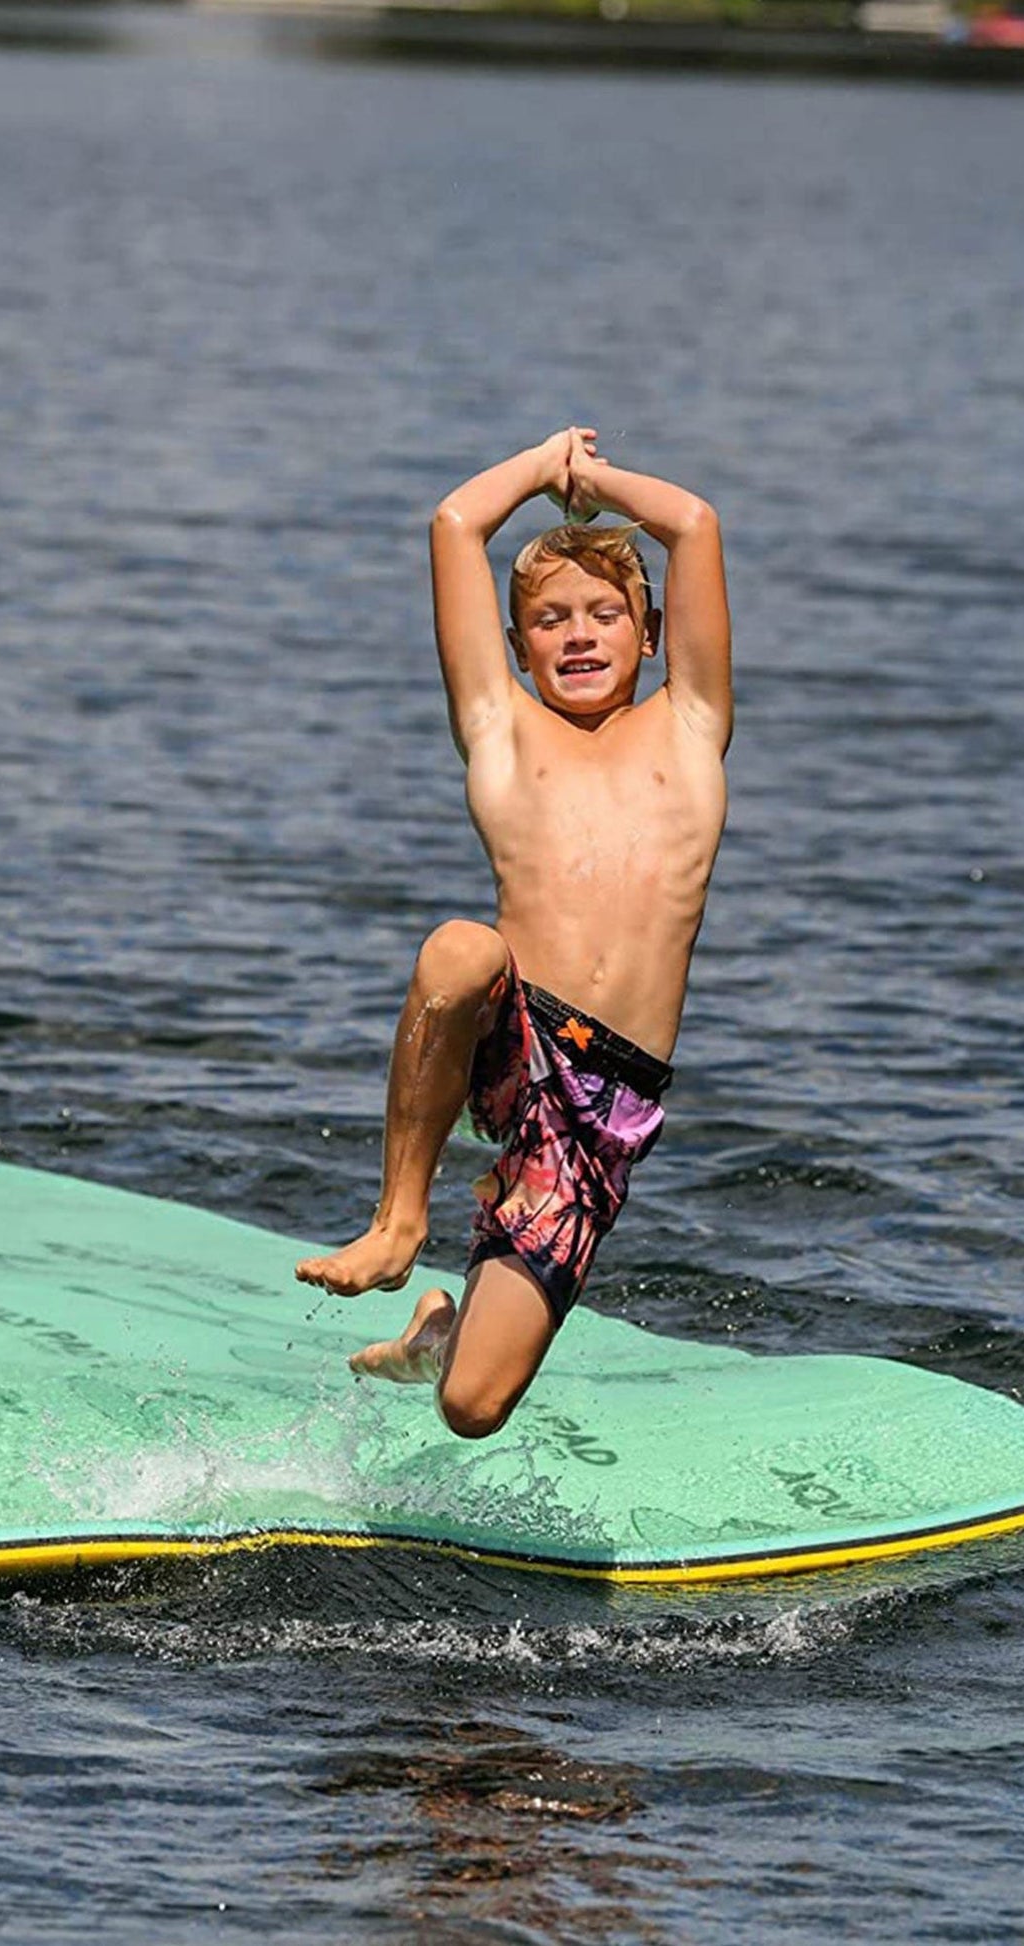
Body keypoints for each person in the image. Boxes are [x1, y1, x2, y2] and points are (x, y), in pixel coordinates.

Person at [294, 427, 732, 1438]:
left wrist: (595, 483)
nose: (578, 635)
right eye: (548, 620)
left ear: (649, 632)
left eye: (604, 615)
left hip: (606, 1103)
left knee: (473, 1406)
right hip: (513, 1033)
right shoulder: (501, 731)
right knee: (462, 949)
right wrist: (540, 465)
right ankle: (398, 1221)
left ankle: (438, 1334)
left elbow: (693, 523)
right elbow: (456, 523)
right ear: (515, 644)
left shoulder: (689, 728)